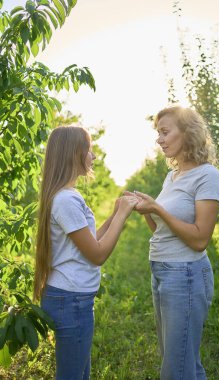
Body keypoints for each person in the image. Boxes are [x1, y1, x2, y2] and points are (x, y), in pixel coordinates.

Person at [33, 125, 138, 380]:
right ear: (74, 153)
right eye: (89, 150)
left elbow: (88, 241)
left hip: (71, 298)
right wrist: (122, 216)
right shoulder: (66, 200)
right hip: (70, 300)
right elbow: (97, 254)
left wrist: (114, 214)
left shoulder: (67, 195)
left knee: (80, 373)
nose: (93, 156)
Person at [127, 105, 219, 380]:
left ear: (188, 132)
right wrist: (147, 209)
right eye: (158, 133)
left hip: (186, 276)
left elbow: (200, 238)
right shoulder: (173, 176)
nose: (159, 139)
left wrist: (158, 209)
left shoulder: (207, 176)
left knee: (176, 368)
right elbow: (162, 229)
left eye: (165, 132)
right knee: (181, 361)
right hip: (161, 272)